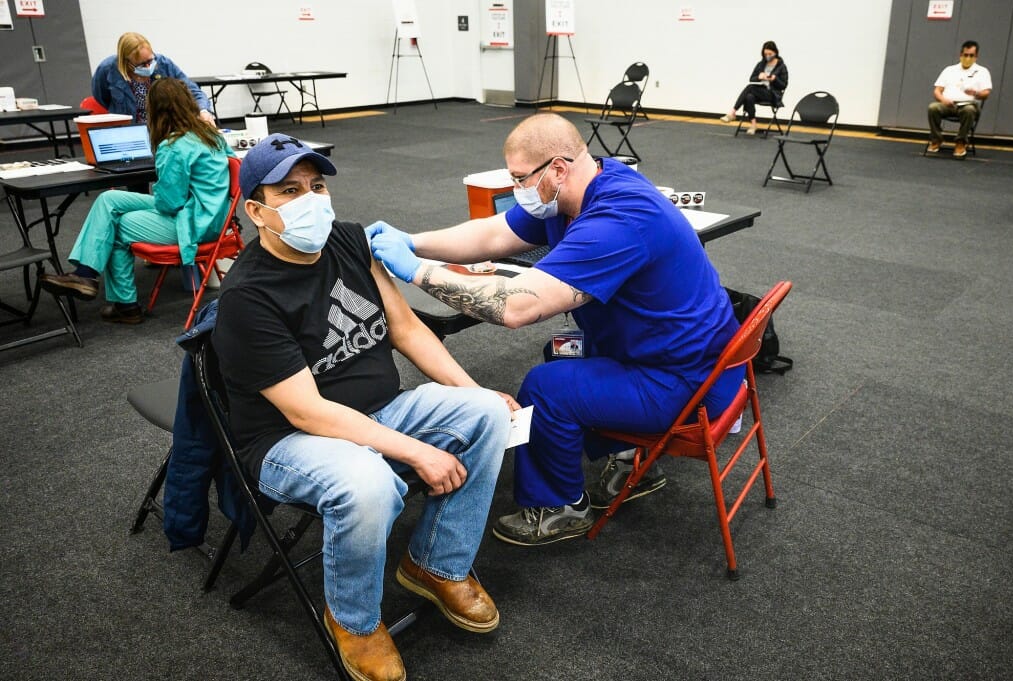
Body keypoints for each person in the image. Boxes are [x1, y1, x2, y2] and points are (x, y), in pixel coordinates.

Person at [213, 134, 514, 681]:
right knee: (367, 482)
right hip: (289, 441)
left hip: (380, 411)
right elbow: (308, 413)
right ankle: (353, 620)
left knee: (487, 414)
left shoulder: (347, 241)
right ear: (257, 211)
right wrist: (417, 452)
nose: (312, 199)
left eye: (317, 185)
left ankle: (434, 565)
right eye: (290, 190)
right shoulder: (247, 296)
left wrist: (477, 391)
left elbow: (405, 328)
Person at [367, 113, 744, 547]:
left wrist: (417, 271)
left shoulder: (618, 220)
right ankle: (631, 460)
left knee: (546, 387)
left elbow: (516, 307)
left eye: (519, 178)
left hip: (689, 382)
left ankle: (560, 508)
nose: (516, 191)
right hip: (676, 355)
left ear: (557, 169)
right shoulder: (579, 190)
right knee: (561, 352)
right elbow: (493, 235)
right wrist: (412, 239)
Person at [41, 78, 232, 324]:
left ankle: (125, 304)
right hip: (215, 216)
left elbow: (169, 203)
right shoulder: (211, 136)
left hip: (193, 223)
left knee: (118, 225)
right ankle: (85, 275)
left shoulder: (173, 145)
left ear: (156, 111)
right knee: (109, 199)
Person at [92, 32, 216, 125]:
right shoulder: (107, 69)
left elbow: (193, 91)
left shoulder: (164, 64)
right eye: (141, 64)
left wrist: (203, 111)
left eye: (150, 60)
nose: (148, 66)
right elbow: (101, 96)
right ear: (126, 62)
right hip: (129, 130)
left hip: (164, 128)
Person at [927, 40, 992, 158]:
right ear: (960, 55)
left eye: (971, 55)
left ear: (976, 56)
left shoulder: (982, 71)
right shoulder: (949, 70)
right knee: (933, 107)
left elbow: (986, 94)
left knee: (969, 111)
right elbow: (937, 90)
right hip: (948, 104)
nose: (968, 58)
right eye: (965, 55)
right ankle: (936, 139)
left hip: (969, 105)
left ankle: (961, 142)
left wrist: (976, 93)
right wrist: (943, 99)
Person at [719, 40, 788, 135]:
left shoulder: (781, 66)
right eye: (765, 54)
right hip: (761, 91)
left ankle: (732, 112)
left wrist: (775, 79)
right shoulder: (761, 64)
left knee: (750, 87)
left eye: (770, 53)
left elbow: (784, 85)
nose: (767, 56)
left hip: (773, 94)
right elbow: (752, 78)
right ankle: (753, 124)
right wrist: (759, 77)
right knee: (749, 97)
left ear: (775, 52)